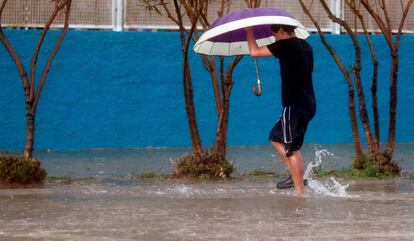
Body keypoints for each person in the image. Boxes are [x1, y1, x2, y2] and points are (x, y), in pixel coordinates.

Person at [246, 24, 316, 193]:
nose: (274, 37)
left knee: (291, 147)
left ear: (282, 32)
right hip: (308, 103)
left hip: (294, 104)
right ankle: (296, 175)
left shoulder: (285, 44)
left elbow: (254, 51)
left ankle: (299, 193)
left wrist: (249, 31)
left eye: (275, 34)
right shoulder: (306, 46)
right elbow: (311, 70)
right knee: (276, 137)